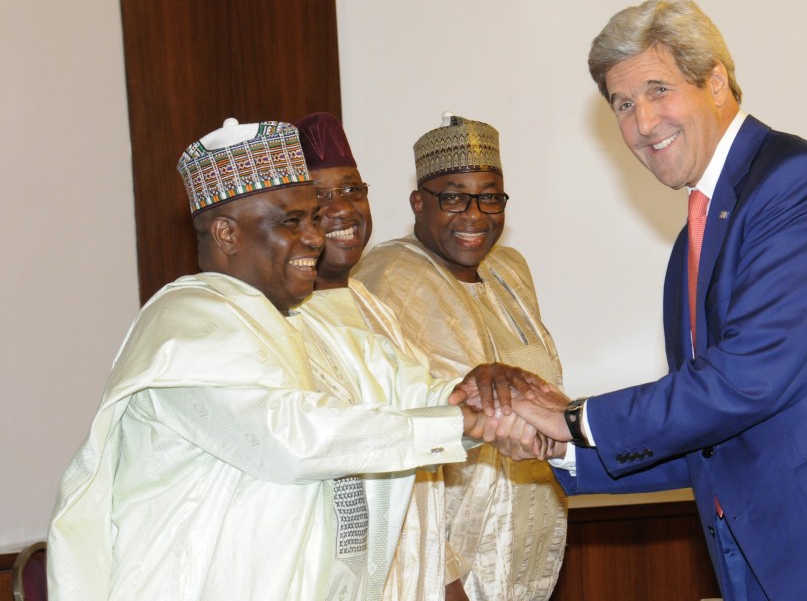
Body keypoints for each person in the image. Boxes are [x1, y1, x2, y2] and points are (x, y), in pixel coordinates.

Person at [492, 0, 807, 601]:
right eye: (623, 104)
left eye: (659, 90)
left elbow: (746, 379)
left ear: (716, 83)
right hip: (764, 563)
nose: (642, 123)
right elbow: (711, 436)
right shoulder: (690, 242)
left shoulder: (799, 183)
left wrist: (578, 419)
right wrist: (564, 449)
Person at [46, 118, 541, 601]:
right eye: (291, 221)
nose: (315, 237)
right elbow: (291, 438)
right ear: (226, 234)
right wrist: (457, 423)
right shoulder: (186, 325)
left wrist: (478, 401)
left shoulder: (306, 324)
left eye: (312, 219)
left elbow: (407, 388)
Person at [353, 114, 567, 601]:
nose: (474, 214)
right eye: (453, 196)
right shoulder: (383, 280)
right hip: (446, 562)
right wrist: (442, 578)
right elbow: (394, 436)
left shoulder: (510, 269)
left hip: (528, 549)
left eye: (490, 196)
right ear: (418, 203)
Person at [293, 111, 457, 600]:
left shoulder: (376, 307)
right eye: (318, 197)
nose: (342, 210)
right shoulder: (285, 324)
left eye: (351, 190)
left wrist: (445, 575)